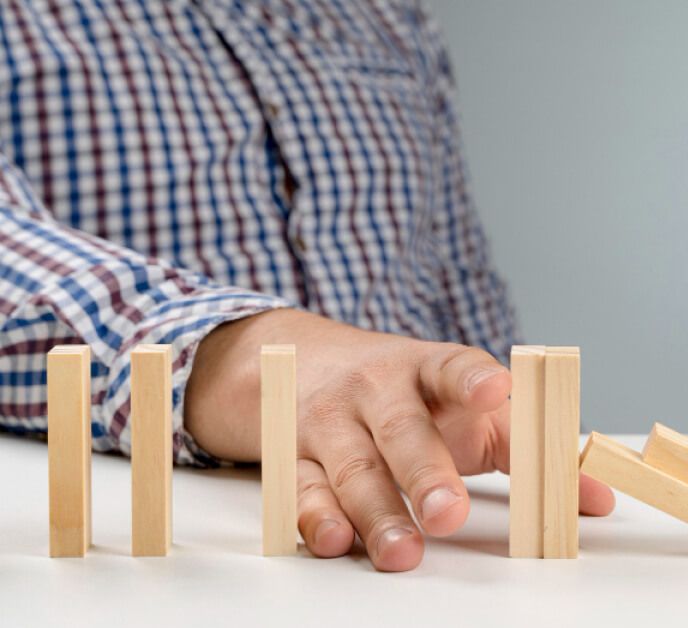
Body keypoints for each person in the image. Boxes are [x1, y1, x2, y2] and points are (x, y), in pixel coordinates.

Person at [0, 0, 614, 571]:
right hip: (167, 521)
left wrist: (482, 411)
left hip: (440, 522)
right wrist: (241, 365)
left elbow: (450, 270)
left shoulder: (388, 14)